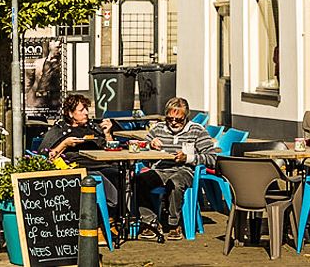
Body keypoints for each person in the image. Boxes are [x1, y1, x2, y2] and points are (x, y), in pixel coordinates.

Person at [134, 96, 218, 240]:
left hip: (185, 170)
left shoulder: (197, 130)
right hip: (161, 168)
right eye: (169, 118)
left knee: (175, 183)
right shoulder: (159, 128)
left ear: (186, 117)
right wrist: (150, 145)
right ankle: (150, 221)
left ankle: (174, 223)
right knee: (139, 180)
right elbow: (142, 148)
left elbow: (212, 158)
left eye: (178, 119)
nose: (173, 122)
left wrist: (188, 158)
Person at [40, 93, 121, 209]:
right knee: (101, 178)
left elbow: (109, 149)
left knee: (121, 175)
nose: (86, 113)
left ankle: (124, 217)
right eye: (81, 110)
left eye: (86, 109)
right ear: (70, 113)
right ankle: (110, 216)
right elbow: (47, 156)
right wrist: (65, 144)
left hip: (101, 164)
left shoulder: (93, 128)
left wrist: (107, 133)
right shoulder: (60, 130)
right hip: (79, 168)